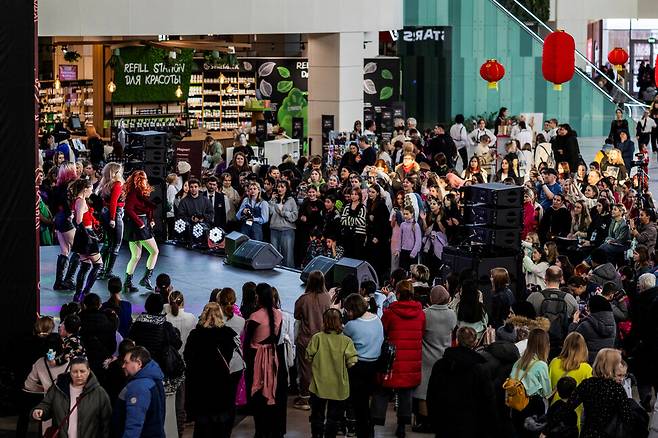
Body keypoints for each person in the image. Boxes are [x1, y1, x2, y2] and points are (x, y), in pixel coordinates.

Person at [371, 280, 425, 437]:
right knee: (405, 392)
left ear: (398, 294)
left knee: (382, 389)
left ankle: (375, 421)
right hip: (411, 359)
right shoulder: (420, 314)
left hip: (391, 358)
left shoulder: (390, 313)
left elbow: (383, 331)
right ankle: (402, 425)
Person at [426, 326, 497, 438]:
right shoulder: (480, 368)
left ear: (457, 340)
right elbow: (487, 399)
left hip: (445, 421)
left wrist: (434, 419)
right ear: (474, 342)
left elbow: (431, 394)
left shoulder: (441, 365)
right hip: (471, 423)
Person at [184, 302, 240, 437]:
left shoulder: (195, 336)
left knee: (202, 428)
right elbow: (234, 361)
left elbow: (188, 359)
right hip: (222, 388)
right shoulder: (228, 335)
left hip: (201, 389)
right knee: (221, 428)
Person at [306, 308, 358, 438]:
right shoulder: (347, 341)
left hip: (319, 384)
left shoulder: (317, 338)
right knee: (333, 418)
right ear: (340, 322)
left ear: (324, 321)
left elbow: (308, 356)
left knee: (317, 415)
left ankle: (316, 435)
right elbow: (352, 362)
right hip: (338, 386)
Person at [413, 286, 457, 433]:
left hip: (426, 356)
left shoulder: (425, 314)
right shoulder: (452, 314)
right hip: (444, 355)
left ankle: (425, 422)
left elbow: (419, 333)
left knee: (423, 392)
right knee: (441, 390)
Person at [32, 356, 111, 438]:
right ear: (70, 372)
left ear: (89, 371)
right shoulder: (58, 388)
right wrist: (39, 411)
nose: (79, 375)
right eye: (75, 371)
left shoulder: (99, 393)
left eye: (82, 371)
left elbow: (106, 423)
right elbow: (46, 404)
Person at [244, 283, 285, 438]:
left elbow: (248, 342)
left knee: (258, 397)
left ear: (258, 296)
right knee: (271, 394)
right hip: (273, 358)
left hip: (256, 358)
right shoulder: (278, 315)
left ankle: (260, 430)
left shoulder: (255, 317)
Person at [563, 348, 633, 437]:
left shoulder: (587, 384)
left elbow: (568, 407)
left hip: (588, 432)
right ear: (611, 366)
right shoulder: (617, 389)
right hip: (609, 433)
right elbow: (627, 418)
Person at [342, 293, 383, 438]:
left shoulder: (351, 326)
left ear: (352, 309)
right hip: (375, 365)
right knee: (366, 403)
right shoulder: (377, 319)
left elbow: (342, 340)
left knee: (358, 404)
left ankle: (359, 431)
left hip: (358, 367)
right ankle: (368, 431)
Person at [293, 271, 332, 410]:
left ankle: (305, 398)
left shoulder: (304, 299)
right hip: (323, 338)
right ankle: (319, 395)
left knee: (305, 369)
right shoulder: (327, 298)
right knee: (320, 368)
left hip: (306, 339)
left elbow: (297, 315)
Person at [128, 294, 183, 385]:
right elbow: (178, 344)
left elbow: (129, 340)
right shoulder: (166, 326)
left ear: (146, 306)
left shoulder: (137, 324)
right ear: (161, 308)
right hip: (160, 367)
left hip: (140, 365)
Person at [114, 346, 166, 438]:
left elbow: (134, 423)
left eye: (126, 362)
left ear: (138, 363)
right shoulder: (154, 379)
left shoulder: (139, 387)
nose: (123, 366)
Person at [508, 329, 552, 438]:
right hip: (533, 408)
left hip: (515, 405)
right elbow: (547, 392)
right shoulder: (541, 365)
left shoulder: (518, 362)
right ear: (545, 345)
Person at [122, 170, 159, 293]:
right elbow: (129, 209)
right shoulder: (133, 193)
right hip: (138, 226)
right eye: (145, 178)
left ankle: (127, 283)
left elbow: (147, 209)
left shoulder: (140, 192)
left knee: (136, 256)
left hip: (138, 225)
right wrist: (141, 223)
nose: (147, 180)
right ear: (140, 180)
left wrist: (150, 219)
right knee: (154, 251)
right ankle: (146, 278)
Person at [547, 332, 592, 428]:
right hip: (575, 413)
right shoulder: (587, 369)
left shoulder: (554, 362)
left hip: (554, 411)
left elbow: (548, 386)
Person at [69, 178, 103, 302]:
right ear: (85, 189)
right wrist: (88, 235)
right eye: (91, 189)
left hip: (82, 235)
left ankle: (78, 294)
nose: (92, 191)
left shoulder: (77, 200)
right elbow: (78, 220)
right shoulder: (81, 201)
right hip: (86, 234)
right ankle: (86, 292)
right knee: (98, 264)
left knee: (85, 265)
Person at [51, 163, 79, 291]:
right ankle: (68, 280)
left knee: (65, 251)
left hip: (58, 218)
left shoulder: (57, 187)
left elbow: (54, 204)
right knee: (79, 249)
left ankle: (59, 282)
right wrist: (70, 214)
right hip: (66, 220)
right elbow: (67, 201)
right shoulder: (69, 187)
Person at [79, 293, 117, 381]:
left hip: (83, 362)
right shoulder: (108, 321)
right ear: (100, 305)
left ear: (84, 305)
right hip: (102, 363)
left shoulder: (79, 320)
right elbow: (112, 347)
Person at [568, 295, 616, 363]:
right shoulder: (613, 324)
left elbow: (572, 341)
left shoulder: (585, 326)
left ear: (591, 308)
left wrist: (574, 323)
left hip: (589, 365)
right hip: (606, 364)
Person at [97, 162, 125, 280]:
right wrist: (113, 219)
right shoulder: (117, 184)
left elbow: (105, 201)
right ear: (116, 172)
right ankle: (108, 271)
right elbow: (114, 202)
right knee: (116, 244)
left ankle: (100, 269)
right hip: (114, 213)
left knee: (108, 243)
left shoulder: (105, 184)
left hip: (105, 212)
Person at [268, 180, 298, 267]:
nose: (280, 189)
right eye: (278, 187)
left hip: (287, 230)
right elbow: (269, 213)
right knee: (274, 254)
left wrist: (284, 212)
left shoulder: (291, 200)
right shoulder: (274, 199)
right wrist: (271, 200)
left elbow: (294, 216)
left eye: (282, 187)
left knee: (287, 255)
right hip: (274, 229)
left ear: (286, 188)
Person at [340, 188, 367, 259]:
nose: (353, 196)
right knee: (348, 255)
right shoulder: (347, 206)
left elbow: (361, 221)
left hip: (358, 235)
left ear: (359, 196)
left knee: (357, 255)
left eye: (355, 194)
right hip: (348, 234)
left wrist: (349, 218)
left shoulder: (362, 207)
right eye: (352, 194)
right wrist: (354, 220)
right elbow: (342, 221)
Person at [395, 206, 422, 271]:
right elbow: (399, 238)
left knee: (412, 271)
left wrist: (413, 253)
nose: (405, 215)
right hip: (403, 250)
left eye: (407, 214)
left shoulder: (415, 225)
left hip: (412, 251)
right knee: (403, 270)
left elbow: (418, 241)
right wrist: (398, 250)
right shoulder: (402, 224)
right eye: (404, 214)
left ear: (412, 214)